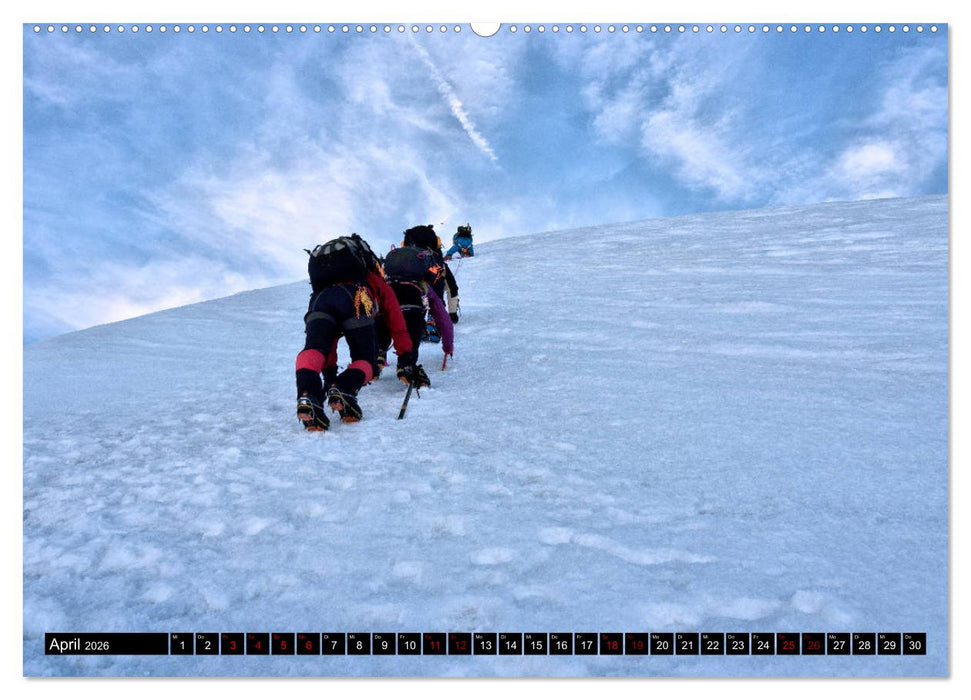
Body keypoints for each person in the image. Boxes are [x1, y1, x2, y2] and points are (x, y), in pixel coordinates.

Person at [295, 235, 402, 430]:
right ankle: (344, 389)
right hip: (356, 298)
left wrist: (329, 375)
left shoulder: (324, 284)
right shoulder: (371, 279)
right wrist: (406, 355)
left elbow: (330, 342)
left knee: (315, 348)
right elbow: (395, 317)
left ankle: (307, 394)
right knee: (366, 359)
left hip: (319, 300)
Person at [378, 244, 454, 387]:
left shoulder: (387, 283)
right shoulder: (423, 286)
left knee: (384, 325)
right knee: (411, 333)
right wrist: (447, 347)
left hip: (387, 304)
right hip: (412, 308)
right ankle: (406, 365)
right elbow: (443, 318)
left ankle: (377, 356)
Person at [402, 224, 461, 324]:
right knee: (450, 286)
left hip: (410, 270)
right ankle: (446, 315)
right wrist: (452, 315)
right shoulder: (432, 243)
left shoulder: (409, 239)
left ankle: (413, 318)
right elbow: (453, 289)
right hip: (434, 268)